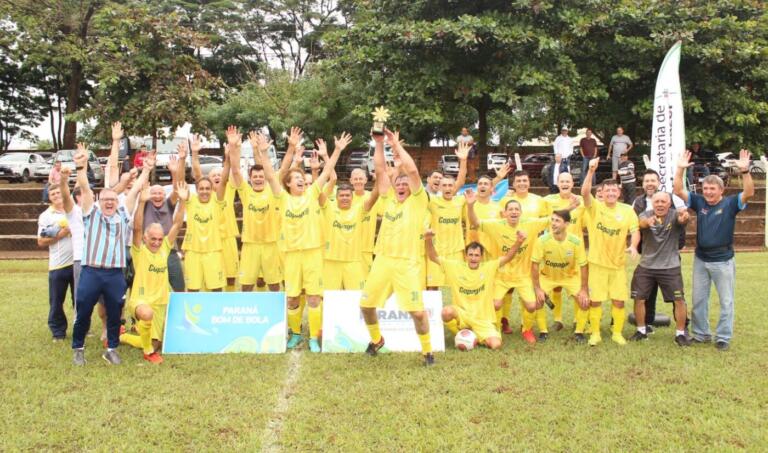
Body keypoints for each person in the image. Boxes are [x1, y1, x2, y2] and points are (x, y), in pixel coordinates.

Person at [261, 129, 348, 353]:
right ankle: (296, 333)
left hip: (312, 253)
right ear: (288, 184)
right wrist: (262, 153)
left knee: (313, 297)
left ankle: (315, 337)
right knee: (292, 299)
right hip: (291, 255)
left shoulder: (311, 195)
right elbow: (271, 175)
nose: (301, 181)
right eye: (297, 179)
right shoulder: (282, 198)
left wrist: (336, 150)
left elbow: (327, 171)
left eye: (303, 179)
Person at [71, 143, 151, 366]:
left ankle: (112, 348)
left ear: (117, 203)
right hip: (91, 271)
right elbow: (85, 189)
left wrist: (146, 170)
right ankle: (78, 348)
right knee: (84, 311)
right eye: (105, 199)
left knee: (116, 313)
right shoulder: (91, 214)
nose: (109, 202)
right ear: (99, 202)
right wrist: (80, 167)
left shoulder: (123, 215)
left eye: (113, 200)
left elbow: (134, 192)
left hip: (115, 273)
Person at [360, 129, 435, 366]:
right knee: (366, 306)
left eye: (405, 183)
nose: (401, 184)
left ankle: (427, 352)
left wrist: (396, 145)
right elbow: (381, 170)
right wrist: (379, 144)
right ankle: (377, 340)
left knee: (418, 313)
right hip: (383, 260)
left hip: (408, 264)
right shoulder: (388, 199)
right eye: (398, 182)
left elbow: (411, 170)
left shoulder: (418, 200)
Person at [673, 149, 754, 351]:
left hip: (723, 260)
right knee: (699, 300)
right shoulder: (699, 201)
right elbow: (677, 190)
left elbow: (749, 193)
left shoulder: (730, 204)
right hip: (701, 259)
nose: (708, 192)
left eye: (712, 189)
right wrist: (680, 169)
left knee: (726, 301)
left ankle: (723, 337)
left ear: (721, 190)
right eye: (705, 188)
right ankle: (701, 334)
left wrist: (745, 172)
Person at [467, 190, 550, 343]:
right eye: (510, 209)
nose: (513, 212)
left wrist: (571, 207)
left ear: (521, 213)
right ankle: (496, 329)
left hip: (523, 275)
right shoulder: (496, 225)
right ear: (504, 213)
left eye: (516, 209)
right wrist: (471, 206)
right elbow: (475, 223)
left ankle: (527, 329)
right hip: (501, 275)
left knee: (532, 306)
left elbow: (553, 219)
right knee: (496, 304)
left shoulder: (530, 224)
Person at [119, 181, 186, 363]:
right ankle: (148, 352)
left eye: (159, 238)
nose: (156, 242)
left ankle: (122, 337)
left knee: (158, 342)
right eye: (152, 239)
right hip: (141, 301)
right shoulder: (139, 251)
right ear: (146, 238)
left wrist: (183, 202)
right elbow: (138, 227)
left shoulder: (165, 246)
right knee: (147, 316)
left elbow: (177, 224)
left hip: (161, 302)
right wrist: (142, 202)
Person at [425, 230, 523, 351]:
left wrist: (519, 241)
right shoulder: (454, 267)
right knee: (446, 312)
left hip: (482, 319)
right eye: (470, 255)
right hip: (463, 315)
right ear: (466, 256)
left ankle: (476, 336)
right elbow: (433, 257)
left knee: (496, 345)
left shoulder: (489, 267)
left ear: (481, 257)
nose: (473, 258)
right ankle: (460, 334)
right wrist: (428, 239)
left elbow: (508, 257)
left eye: (476, 255)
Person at [581, 157, 640, 346]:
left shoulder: (627, 211)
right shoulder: (595, 208)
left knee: (619, 301)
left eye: (614, 190)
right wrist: (590, 171)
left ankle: (616, 333)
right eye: (607, 191)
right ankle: (595, 333)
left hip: (617, 265)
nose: (611, 193)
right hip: (597, 263)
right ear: (602, 193)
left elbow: (635, 230)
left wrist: (633, 245)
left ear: (619, 192)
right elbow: (584, 192)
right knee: (595, 300)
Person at [630, 192, 691, 346]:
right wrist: (647, 223)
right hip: (646, 266)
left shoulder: (674, 215)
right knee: (639, 298)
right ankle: (641, 331)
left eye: (663, 201)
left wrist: (685, 218)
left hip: (670, 267)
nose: (660, 204)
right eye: (657, 201)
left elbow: (682, 219)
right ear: (652, 203)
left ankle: (680, 334)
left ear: (669, 204)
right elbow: (641, 223)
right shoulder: (646, 214)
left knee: (679, 300)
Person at [230, 132, 283, 292]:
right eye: (255, 176)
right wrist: (234, 147)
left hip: (271, 244)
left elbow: (269, 168)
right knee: (246, 285)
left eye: (261, 176)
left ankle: (275, 315)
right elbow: (235, 170)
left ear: (265, 178)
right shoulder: (246, 191)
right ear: (250, 178)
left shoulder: (271, 190)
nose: (259, 179)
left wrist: (259, 150)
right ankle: (247, 312)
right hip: (250, 244)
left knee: (274, 284)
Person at [182, 130, 232, 293]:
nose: (204, 191)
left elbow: (224, 179)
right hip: (193, 252)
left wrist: (228, 158)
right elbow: (197, 175)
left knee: (216, 289)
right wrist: (194, 153)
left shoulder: (217, 202)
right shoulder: (192, 200)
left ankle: (216, 317)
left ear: (212, 189)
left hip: (213, 252)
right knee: (193, 289)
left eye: (207, 188)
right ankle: (194, 319)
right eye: (201, 188)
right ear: (197, 189)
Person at [531, 210, 590, 343]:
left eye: (557, 221)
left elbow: (583, 266)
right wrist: (537, 288)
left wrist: (584, 289)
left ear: (567, 224)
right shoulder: (542, 240)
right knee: (537, 300)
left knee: (584, 302)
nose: (553, 223)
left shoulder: (576, 241)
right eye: (552, 220)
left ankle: (579, 332)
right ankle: (543, 332)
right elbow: (534, 265)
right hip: (548, 277)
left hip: (570, 277)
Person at [193, 130, 240, 292]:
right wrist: (195, 153)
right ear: (209, 179)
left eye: (220, 174)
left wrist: (232, 151)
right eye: (214, 175)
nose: (218, 176)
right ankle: (211, 305)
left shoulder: (227, 190)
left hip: (227, 238)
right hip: (211, 242)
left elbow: (232, 170)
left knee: (231, 276)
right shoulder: (205, 194)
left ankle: (229, 302)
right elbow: (198, 173)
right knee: (211, 278)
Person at [542, 173, 584, 330]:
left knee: (577, 289)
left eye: (568, 181)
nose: (565, 183)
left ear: (573, 183)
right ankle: (558, 320)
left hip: (575, 252)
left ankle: (576, 320)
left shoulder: (581, 202)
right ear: (557, 183)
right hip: (554, 249)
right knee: (557, 286)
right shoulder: (548, 200)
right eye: (562, 181)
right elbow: (548, 219)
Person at [319, 179, 378, 290]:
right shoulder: (329, 207)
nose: (345, 198)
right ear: (336, 198)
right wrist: (315, 172)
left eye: (347, 195)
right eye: (341, 195)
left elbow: (374, 197)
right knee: (328, 298)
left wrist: (379, 177)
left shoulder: (359, 209)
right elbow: (318, 192)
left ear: (352, 197)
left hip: (353, 261)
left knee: (356, 297)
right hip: (331, 260)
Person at [426, 142, 469, 289]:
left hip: (456, 251)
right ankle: (433, 313)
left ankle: (457, 312)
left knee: (458, 285)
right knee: (432, 287)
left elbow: (461, 179)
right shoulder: (432, 200)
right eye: (444, 185)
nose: (448, 188)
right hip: (436, 250)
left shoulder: (460, 200)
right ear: (439, 187)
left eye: (450, 185)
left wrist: (463, 160)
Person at [37, 181, 76, 341]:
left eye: (59, 192)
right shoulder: (46, 216)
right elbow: (40, 241)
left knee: (80, 299)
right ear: (49, 198)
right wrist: (61, 234)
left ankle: (83, 328)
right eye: (53, 194)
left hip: (77, 263)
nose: (57, 196)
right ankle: (58, 332)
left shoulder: (74, 210)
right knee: (56, 301)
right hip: (58, 265)